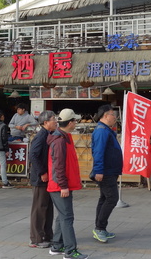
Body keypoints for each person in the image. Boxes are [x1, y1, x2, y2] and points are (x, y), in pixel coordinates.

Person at [47, 108, 86, 259]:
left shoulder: (63, 137)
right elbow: (59, 166)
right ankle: (70, 251)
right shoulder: (59, 140)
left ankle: (57, 246)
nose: (76, 123)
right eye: (75, 120)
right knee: (67, 217)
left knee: (62, 216)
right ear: (70, 123)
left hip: (60, 185)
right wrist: (63, 186)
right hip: (59, 186)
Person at [91, 104, 123, 243]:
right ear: (105, 116)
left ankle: (101, 228)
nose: (115, 117)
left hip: (110, 170)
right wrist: (98, 170)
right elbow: (98, 152)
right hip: (106, 171)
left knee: (104, 198)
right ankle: (99, 228)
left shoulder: (106, 130)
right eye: (112, 115)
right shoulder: (101, 131)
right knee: (112, 199)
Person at [28, 110, 57, 249]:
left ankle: (47, 235)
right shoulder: (41, 136)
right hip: (41, 178)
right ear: (46, 122)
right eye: (53, 119)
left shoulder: (49, 134)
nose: (56, 122)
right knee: (39, 208)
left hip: (47, 176)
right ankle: (36, 238)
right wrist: (42, 172)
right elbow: (33, 154)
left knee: (47, 207)